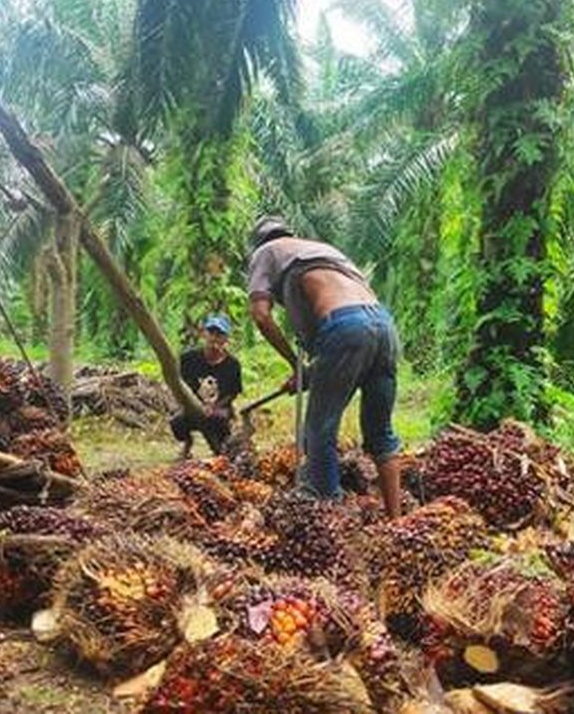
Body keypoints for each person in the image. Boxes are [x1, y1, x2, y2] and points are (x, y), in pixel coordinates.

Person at [246, 215, 403, 518]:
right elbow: (356, 326)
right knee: (380, 431)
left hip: (345, 326)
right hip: (383, 326)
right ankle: (396, 521)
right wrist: (309, 372)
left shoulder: (266, 252)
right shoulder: (321, 250)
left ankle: (330, 521)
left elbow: (261, 315)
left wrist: (295, 364)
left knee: (319, 430)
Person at [170, 313, 243, 458]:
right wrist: (191, 404)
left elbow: (232, 393)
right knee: (176, 422)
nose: (214, 338)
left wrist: (215, 407)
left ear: (226, 339)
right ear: (204, 334)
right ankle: (187, 443)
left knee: (220, 432)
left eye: (219, 334)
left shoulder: (232, 364)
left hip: (219, 408)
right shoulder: (188, 358)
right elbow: (180, 384)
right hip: (192, 405)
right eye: (211, 333)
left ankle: (221, 444)